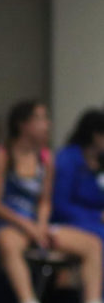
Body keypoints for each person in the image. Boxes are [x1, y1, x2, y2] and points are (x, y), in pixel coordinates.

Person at [0, 100, 103, 303]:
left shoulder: (46, 159)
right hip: (8, 225)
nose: (47, 124)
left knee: (92, 244)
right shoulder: (1, 157)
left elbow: (45, 200)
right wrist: (26, 225)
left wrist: (40, 224)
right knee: (9, 242)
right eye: (40, 119)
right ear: (22, 124)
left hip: (37, 226)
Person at [52, 108, 104, 280]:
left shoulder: (100, 162)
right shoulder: (67, 159)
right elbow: (60, 204)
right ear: (96, 135)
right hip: (69, 221)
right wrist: (97, 215)